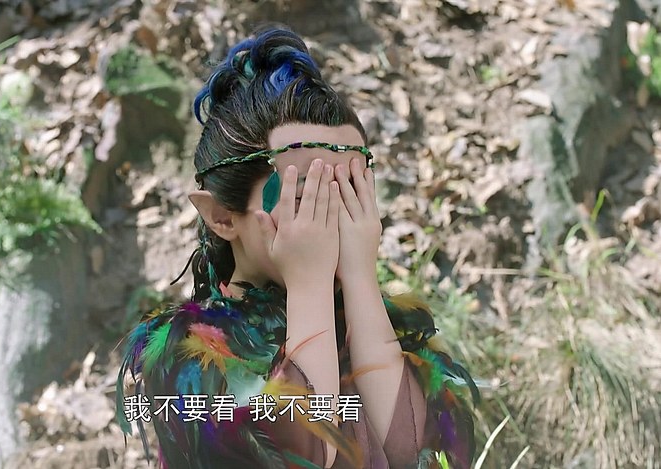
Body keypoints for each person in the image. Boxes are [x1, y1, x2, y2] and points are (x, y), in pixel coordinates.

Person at [116, 27, 478, 469]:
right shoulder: (192, 356)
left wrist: (361, 280)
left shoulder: (372, 323)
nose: (333, 218)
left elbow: (412, 449)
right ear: (222, 216)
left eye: (351, 192)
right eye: (306, 196)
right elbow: (304, 454)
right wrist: (308, 284)